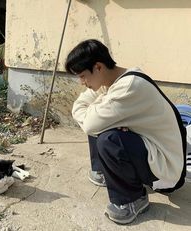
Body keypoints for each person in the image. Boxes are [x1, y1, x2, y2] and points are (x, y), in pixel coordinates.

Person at [65, 39, 187, 224]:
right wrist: (99, 111)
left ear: (98, 67)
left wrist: (98, 111)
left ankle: (132, 199)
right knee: (102, 121)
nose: (82, 82)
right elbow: (79, 106)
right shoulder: (111, 80)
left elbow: (89, 123)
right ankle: (103, 171)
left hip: (167, 171)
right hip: (151, 149)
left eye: (82, 76)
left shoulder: (129, 86)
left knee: (108, 137)